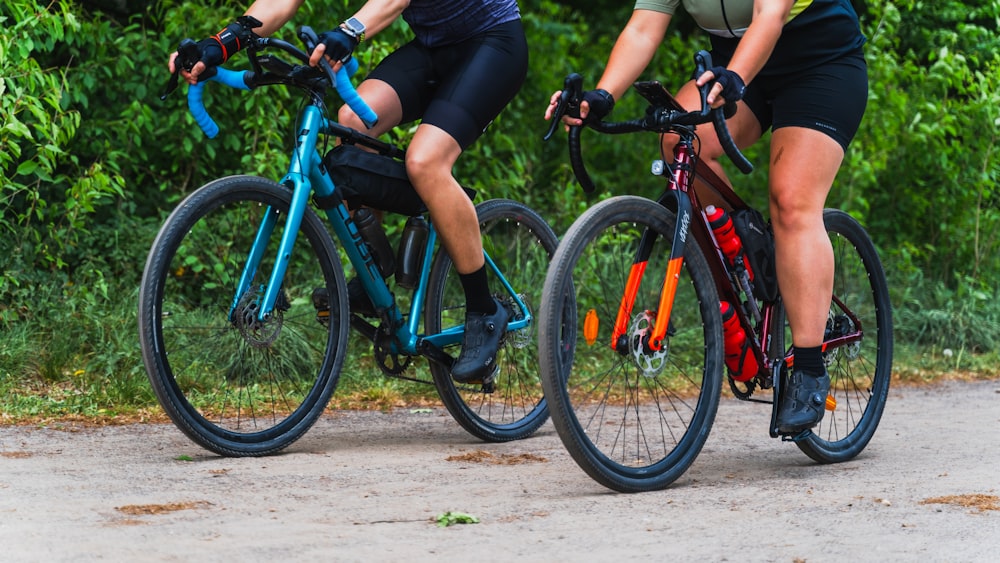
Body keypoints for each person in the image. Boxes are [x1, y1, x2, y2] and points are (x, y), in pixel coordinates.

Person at [545, 0, 867, 434]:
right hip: (732, 69)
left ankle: (808, 369)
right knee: (679, 141)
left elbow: (769, 17)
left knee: (791, 201)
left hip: (820, 66)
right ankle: (746, 261)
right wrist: (601, 97)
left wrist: (735, 76)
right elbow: (644, 27)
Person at [169, 0, 528, 385]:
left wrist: (350, 31)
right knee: (353, 121)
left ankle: (483, 309)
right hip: (433, 48)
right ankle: (378, 267)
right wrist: (221, 43)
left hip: (493, 44)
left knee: (425, 161)